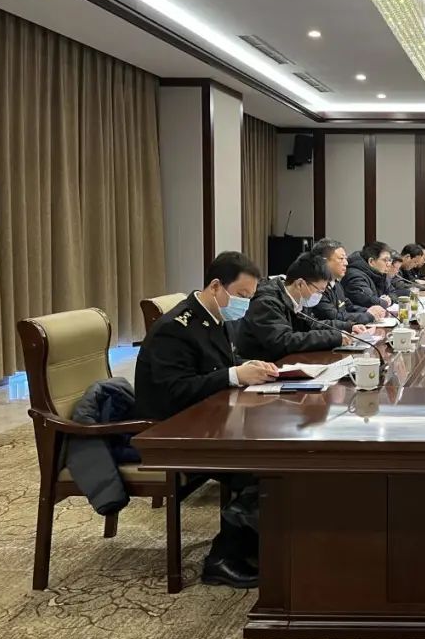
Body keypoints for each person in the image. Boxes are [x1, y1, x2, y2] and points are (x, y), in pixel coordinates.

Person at [133, 251, 278, 588]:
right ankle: (223, 559)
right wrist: (233, 375)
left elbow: (214, 367)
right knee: (266, 467)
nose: (244, 304)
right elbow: (174, 391)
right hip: (173, 429)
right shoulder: (176, 328)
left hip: (205, 418)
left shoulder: (213, 317)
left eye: (249, 296)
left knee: (276, 457)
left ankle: (257, 542)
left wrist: (247, 367)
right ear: (216, 286)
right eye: (241, 295)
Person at [234, 251, 364, 361]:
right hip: (263, 366)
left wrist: (348, 327)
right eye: (319, 290)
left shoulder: (298, 299)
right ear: (300, 284)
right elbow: (284, 341)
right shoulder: (266, 302)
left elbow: (312, 324)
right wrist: (334, 338)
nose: (319, 295)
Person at [310, 238, 385, 324]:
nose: (346, 263)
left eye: (345, 258)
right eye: (341, 258)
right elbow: (334, 316)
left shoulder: (335, 283)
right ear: (324, 261)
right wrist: (367, 316)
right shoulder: (316, 286)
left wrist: (369, 311)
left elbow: (347, 306)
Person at [342, 241, 395, 309]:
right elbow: (369, 301)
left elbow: (394, 293)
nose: (389, 264)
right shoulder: (354, 276)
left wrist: (390, 299)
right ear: (371, 262)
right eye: (385, 260)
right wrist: (385, 302)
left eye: (390, 260)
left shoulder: (381, 274)